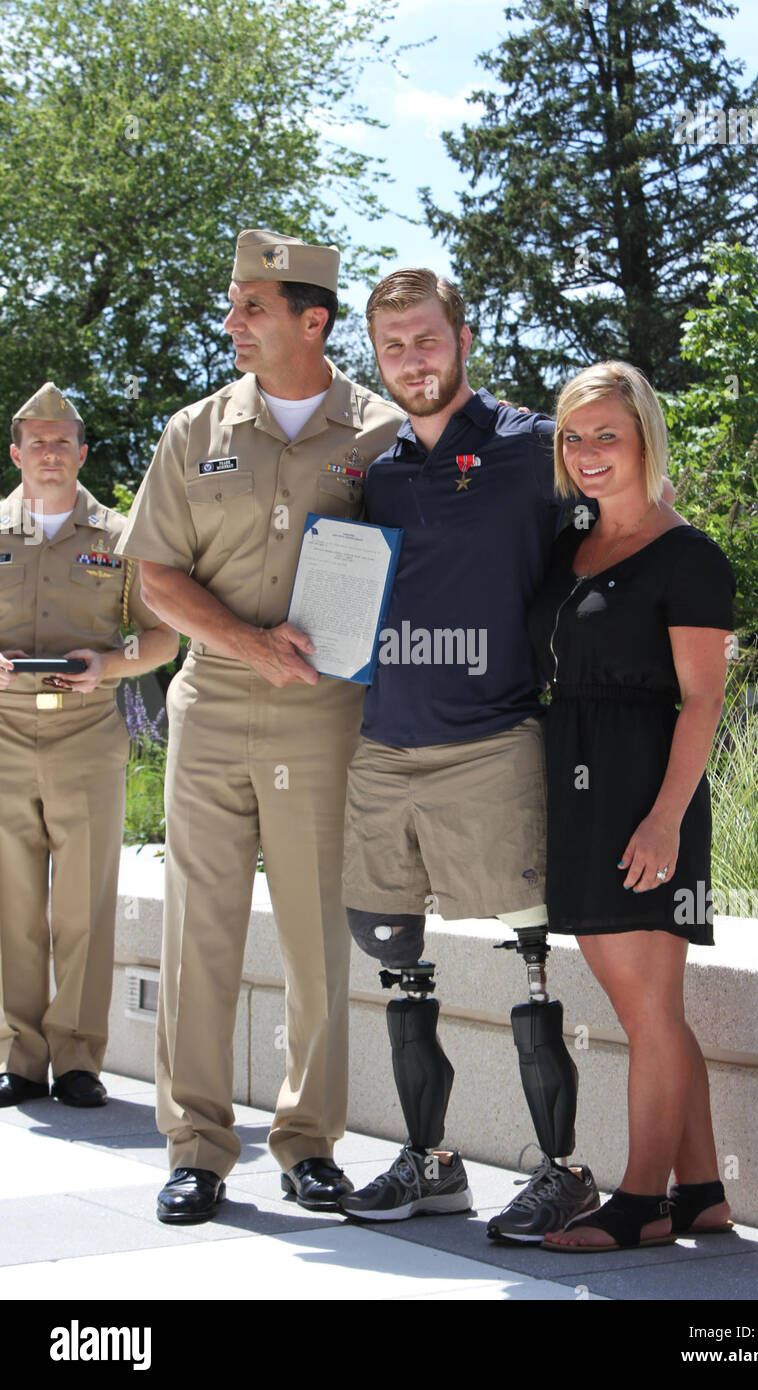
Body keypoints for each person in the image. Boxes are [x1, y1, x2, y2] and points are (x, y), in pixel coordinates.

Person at [115, 229, 404, 1224]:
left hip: (327, 721)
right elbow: (155, 576)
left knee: (320, 936)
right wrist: (247, 643)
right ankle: (194, 1147)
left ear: (311, 320)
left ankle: (308, 1142)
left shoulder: (379, 434)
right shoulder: (195, 431)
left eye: (251, 307)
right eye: (232, 303)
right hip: (213, 712)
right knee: (201, 929)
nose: (231, 321)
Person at [338, 269, 601, 1243]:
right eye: (392, 345)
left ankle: (564, 1172)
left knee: (528, 963)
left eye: (425, 338)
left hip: (493, 741)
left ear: (461, 335)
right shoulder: (377, 468)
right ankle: (430, 1161)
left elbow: (623, 529)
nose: (411, 358)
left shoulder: (537, 446)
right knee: (397, 964)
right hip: (379, 747)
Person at [525, 361, 736, 1251]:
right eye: (574, 437)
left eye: (607, 434)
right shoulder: (571, 538)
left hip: (646, 796)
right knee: (655, 1007)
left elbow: (704, 702)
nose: (587, 454)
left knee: (645, 1009)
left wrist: (663, 821)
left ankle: (640, 1201)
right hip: (578, 786)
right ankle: (703, 1192)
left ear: (646, 435)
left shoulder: (689, 555)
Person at [0, 383, 177, 1109]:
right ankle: (18, 1054)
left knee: (84, 903)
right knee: (11, 903)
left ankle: (76, 1057)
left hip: (87, 734)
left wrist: (113, 665)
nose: (50, 453)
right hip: (4, 735)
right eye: (36, 442)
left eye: (62, 441)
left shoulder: (122, 537)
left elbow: (164, 633)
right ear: (16, 453)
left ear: (81, 451)